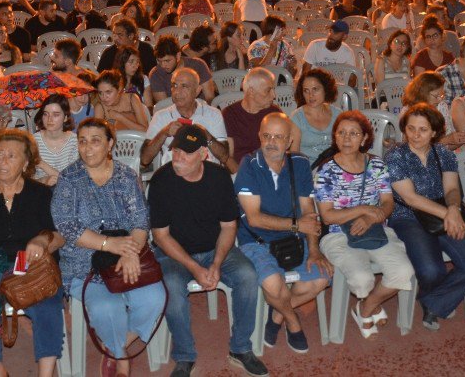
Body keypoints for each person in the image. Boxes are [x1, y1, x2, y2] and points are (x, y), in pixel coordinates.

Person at [149, 123, 269, 377]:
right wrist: (195, 267)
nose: (178, 157)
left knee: (248, 275)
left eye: (187, 152)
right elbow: (160, 236)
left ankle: (240, 348)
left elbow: (228, 226)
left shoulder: (219, 177)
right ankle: (184, 356)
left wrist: (215, 264)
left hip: (213, 248)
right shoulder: (161, 180)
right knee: (171, 283)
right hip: (174, 252)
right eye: (176, 150)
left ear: (203, 154)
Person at [51, 118, 166, 377]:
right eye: (82, 141)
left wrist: (130, 252)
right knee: (107, 308)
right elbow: (68, 227)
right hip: (84, 262)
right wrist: (108, 244)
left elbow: (140, 220)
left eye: (95, 141)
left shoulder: (126, 176)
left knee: (154, 299)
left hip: (127, 255)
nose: (88, 148)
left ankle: (115, 346)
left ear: (110, 144)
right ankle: (121, 358)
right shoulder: (69, 179)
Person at [0, 129, 66, 376]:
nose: (2, 161)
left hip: (33, 269)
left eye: (11, 156)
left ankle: (46, 373)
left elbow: (60, 236)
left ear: (26, 163)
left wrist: (42, 241)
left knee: (48, 306)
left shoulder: (40, 194)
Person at [385, 104, 465, 330]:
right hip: (407, 216)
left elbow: (451, 189)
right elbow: (410, 198)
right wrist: (449, 213)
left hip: (443, 213)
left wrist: (453, 209)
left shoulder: (445, 154)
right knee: (432, 269)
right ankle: (439, 299)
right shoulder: (395, 156)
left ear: (434, 132)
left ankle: (434, 301)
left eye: (423, 130)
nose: (415, 135)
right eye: (411, 129)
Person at [235, 113, 331, 353]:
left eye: (278, 137)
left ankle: (276, 315)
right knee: (273, 283)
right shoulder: (248, 166)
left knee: (321, 278)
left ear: (289, 141)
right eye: (266, 136)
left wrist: (315, 250)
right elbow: (254, 218)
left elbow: (309, 212)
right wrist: (297, 225)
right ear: (259, 136)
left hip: (293, 240)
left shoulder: (299, 164)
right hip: (255, 240)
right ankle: (293, 321)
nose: (271, 142)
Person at [314, 111, 415, 338]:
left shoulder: (376, 164)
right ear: (335, 137)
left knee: (403, 271)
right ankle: (373, 305)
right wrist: (362, 210)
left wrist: (370, 217)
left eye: (353, 134)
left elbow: (388, 203)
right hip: (338, 233)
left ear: (364, 138)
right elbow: (327, 216)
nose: (347, 139)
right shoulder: (326, 171)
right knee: (362, 278)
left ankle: (366, 307)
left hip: (375, 228)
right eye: (341, 133)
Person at [141, 67, 231, 172]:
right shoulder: (161, 116)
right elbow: (145, 159)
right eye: (174, 85)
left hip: (207, 176)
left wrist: (206, 135)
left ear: (197, 91)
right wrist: (164, 133)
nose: (177, 92)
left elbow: (224, 157)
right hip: (175, 177)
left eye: (184, 86)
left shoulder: (213, 114)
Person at [223, 68, 293, 166]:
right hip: (239, 171)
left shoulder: (274, 113)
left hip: (267, 170)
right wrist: (242, 176)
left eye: (273, 89)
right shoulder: (230, 114)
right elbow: (228, 157)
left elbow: (282, 152)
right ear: (251, 91)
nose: (274, 95)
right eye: (268, 90)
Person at [289, 68, 342, 164]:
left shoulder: (338, 115)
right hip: (308, 172)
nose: (310, 95)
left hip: (335, 170)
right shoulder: (297, 118)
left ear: (325, 89)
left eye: (315, 89)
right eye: (306, 91)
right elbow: (294, 157)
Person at [32, 93, 79, 185]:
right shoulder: (33, 141)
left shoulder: (74, 141)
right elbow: (25, 179)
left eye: (56, 115)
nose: (49, 119)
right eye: (46, 114)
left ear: (65, 117)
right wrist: (42, 181)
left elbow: (72, 181)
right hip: (40, 190)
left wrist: (42, 164)